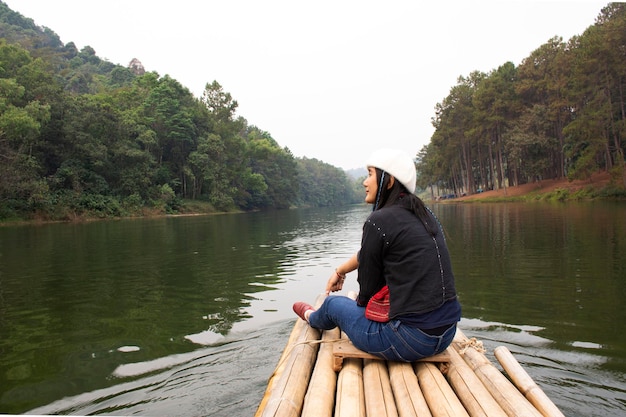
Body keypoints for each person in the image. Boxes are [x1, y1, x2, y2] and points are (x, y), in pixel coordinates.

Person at [293, 148, 461, 362]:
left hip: (409, 341)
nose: (365, 182)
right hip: (446, 334)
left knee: (332, 305)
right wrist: (341, 270)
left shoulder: (379, 220)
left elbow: (366, 295)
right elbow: (373, 252)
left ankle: (312, 317)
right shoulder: (425, 215)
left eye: (370, 174)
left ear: (388, 180)